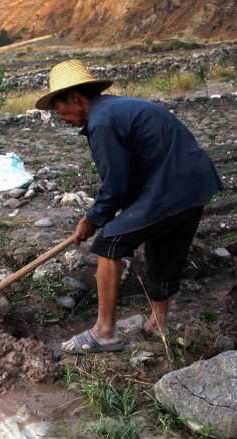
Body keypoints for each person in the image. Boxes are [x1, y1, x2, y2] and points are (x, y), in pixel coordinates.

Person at [35, 60, 223, 354]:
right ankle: (158, 323)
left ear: (75, 98)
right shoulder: (115, 109)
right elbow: (132, 172)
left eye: (58, 109)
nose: (60, 117)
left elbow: (116, 184)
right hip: (194, 185)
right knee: (163, 244)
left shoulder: (102, 122)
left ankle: (104, 332)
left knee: (110, 242)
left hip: (171, 187)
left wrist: (92, 219)